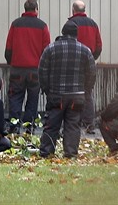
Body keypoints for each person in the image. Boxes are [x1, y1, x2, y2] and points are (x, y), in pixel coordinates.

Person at [38, 21, 96, 158]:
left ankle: (46, 152)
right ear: (76, 34)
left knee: (51, 125)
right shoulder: (85, 50)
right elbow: (92, 73)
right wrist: (85, 91)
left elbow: (42, 71)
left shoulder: (50, 49)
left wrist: (47, 90)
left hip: (56, 95)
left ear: (63, 32)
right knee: (73, 125)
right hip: (77, 96)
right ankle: (70, 153)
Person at [4, 0, 51, 134]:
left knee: (15, 97)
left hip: (17, 69)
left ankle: (14, 126)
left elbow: (8, 48)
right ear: (36, 9)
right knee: (32, 99)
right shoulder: (42, 26)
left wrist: (11, 62)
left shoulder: (15, 24)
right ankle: (29, 127)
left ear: (24, 9)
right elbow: (46, 50)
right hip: (34, 70)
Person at [68, 0, 103, 134]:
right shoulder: (93, 24)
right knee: (87, 94)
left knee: (72, 93)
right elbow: (99, 46)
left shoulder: (71, 24)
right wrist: (92, 58)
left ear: (73, 10)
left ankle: (74, 123)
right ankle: (89, 124)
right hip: (89, 66)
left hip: (74, 65)